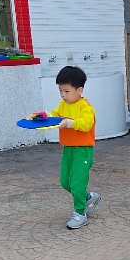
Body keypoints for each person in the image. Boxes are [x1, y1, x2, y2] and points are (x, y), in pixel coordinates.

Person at [48, 66, 100, 230]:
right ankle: (89, 197)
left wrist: (71, 123)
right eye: (60, 91)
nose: (63, 95)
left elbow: (87, 123)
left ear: (79, 90)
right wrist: (41, 117)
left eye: (66, 91)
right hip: (68, 149)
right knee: (65, 182)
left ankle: (80, 213)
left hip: (82, 150)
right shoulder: (63, 105)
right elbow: (53, 116)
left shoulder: (85, 106)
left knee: (77, 185)